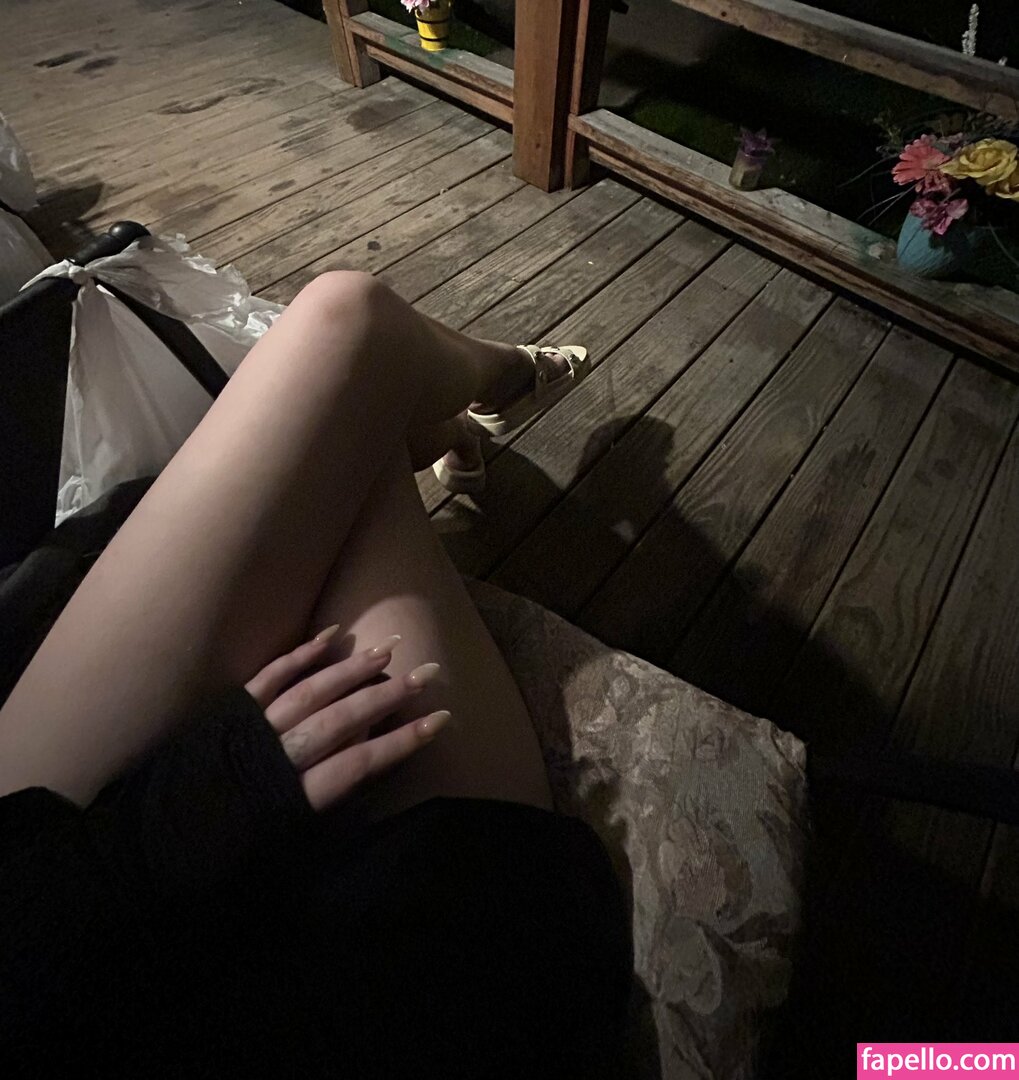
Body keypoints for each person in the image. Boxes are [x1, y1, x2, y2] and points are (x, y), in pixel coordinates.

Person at [0, 271, 631, 1078]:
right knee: (352, 332)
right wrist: (167, 831)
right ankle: (497, 384)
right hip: (340, 995)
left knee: (351, 369)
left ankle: (458, 413)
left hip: (32, 861)